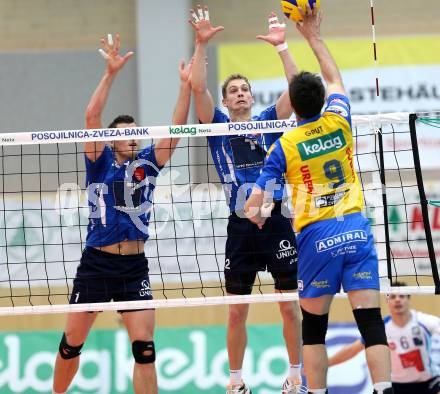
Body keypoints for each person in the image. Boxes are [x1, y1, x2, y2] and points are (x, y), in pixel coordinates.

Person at [245, 4, 393, 394]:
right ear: (321, 100)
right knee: (372, 323)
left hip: (317, 239)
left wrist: (256, 212)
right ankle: (383, 389)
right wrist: (311, 36)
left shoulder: (284, 145)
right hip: (356, 231)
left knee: (314, 330)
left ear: (292, 106)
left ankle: (317, 392)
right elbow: (335, 77)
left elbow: (258, 202)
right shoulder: (339, 117)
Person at [52, 33, 193, 394]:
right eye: (125, 135)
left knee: (145, 351)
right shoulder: (98, 164)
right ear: (110, 140)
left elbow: (176, 130)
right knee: (71, 344)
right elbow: (91, 115)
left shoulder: (147, 163)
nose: (133, 139)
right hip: (97, 265)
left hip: (134, 267)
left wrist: (185, 87)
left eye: (136, 134)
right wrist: (111, 72)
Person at [189, 5, 302, 394]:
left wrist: (283, 46)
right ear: (226, 100)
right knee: (237, 310)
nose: (239, 94)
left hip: (277, 220)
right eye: (233, 91)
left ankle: (296, 376)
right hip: (239, 226)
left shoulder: (270, 120)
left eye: (244, 89)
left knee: (290, 306)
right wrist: (201, 45)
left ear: (253, 97)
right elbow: (198, 90)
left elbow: (300, 89)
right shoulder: (217, 126)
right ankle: (235, 383)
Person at [328, 283, 440, 394]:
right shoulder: (381, 327)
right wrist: (326, 364)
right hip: (396, 385)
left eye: (401, 296)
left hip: (428, 382)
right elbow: (352, 349)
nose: (397, 300)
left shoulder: (423, 320)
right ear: (387, 301)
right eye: (393, 297)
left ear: (409, 299)